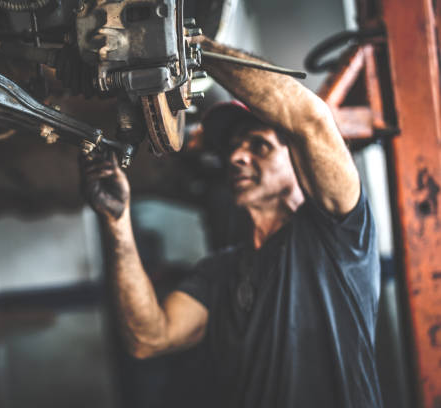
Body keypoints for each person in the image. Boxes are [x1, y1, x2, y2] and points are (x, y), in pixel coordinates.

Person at [81, 35, 382, 407]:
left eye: (259, 145)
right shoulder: (219, 273)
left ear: (298, 160)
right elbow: (149, 338)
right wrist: (117, 221)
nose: (238, 156)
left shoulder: (338, 235)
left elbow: (311, 119)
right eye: (231, 149)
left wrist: (190, 45)